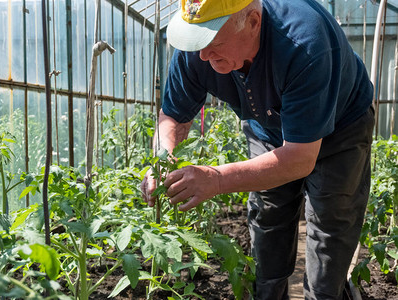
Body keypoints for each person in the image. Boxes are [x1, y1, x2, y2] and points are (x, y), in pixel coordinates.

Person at [140, 0, 374, 299]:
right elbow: (173, 116)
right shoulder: (197, 51)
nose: (202, 54)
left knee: (332, 222)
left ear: (252, 22)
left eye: (213, 41)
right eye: (196, 41)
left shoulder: (304, 42)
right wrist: (164, 160)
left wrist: (217, 179)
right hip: (267, 127)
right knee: (268, 215)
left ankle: (326, 294)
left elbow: (299, 159)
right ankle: (268, 293)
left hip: (341, 129)